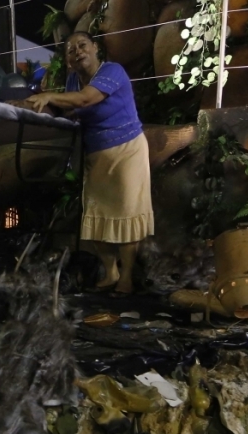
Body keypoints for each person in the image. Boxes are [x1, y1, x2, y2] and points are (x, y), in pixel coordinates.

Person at [19, 31, 153, 295]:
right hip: (96, 154)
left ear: (94, 48)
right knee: (97, 214)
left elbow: (85, 99)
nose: (77, 52)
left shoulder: (112, 72)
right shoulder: (72, 80)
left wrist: (47, 96)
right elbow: (70, 110)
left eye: (82, 46)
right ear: (68, 60)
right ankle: (110, 271)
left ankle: (125, 276)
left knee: (126, 213)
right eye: (71, 50)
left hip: (128, 151)